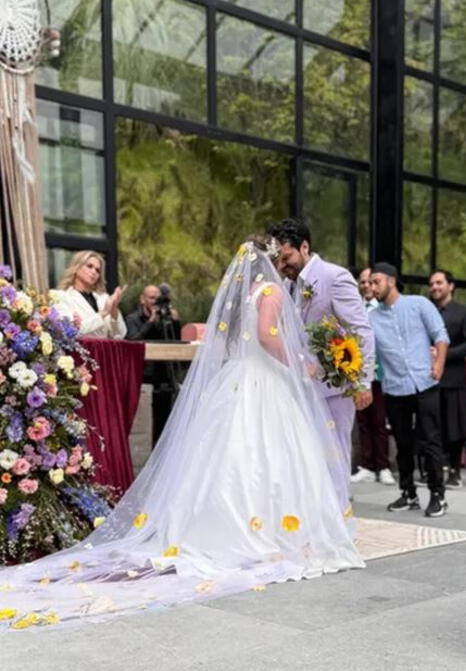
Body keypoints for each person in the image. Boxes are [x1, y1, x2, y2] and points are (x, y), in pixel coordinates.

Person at [0, 237, 364, 629]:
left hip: (239, 381)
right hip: (264, 383)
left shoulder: (245, 292)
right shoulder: (272, 289)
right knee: (269, 453)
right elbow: (266, 335)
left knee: (231, 455)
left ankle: (220, 526)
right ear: (273, 259)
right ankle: (271, 532)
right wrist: (300, 363)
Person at [269, 217, 375, 493]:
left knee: (334, 456)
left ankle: (339, 521)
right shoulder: (289, 285)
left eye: (287, 257)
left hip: (334, 388)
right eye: (278, 260)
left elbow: (361, 331)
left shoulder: (335, 277)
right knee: (308, 461)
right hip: (301, 388)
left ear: (304, 247)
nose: (282, 266)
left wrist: (363, 382)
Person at [369, 263, 450, 517]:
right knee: (403, 444)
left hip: (425, 384)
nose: (371, 287)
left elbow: (441, 335)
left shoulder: (418, 304)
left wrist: (438, 365)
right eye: (370, 283)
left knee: (430, 441)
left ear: (391, 281)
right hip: (394, 388)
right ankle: (409, 494)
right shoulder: (371, 318)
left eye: (376, 281)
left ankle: (438, 495)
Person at [428, 269, 466, 488]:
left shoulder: (464, 313)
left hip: (454, 378)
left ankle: (455, 471)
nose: (435, 287)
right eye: (432, 284)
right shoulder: (426, 310)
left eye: (439, 283)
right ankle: (435, 469)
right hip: (429, 378)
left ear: (451, 285)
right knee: (433, 426)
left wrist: (444, 353)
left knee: (455, 427)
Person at [351, 267, 394, 486]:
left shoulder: (382, 309)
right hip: (357, 371)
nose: (366, 286)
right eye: (362, 282)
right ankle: (366, 464)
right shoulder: (354, 307)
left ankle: (383, 465)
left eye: (370, 282)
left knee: (379, 420)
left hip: (379, 373)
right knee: (363, 421)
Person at [126, 285, 182, 444]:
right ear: (142, 299)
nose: (154, 302)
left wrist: (176, 322)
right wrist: (151, 322)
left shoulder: (166, 319)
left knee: (164, 424)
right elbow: (133, 341)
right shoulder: (133, 319)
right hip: (143, 377)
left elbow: (175, 342)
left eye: (157, 299)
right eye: (151, 298)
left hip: (164, 377)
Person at [54, 251, 127, 339]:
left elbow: (120, 335)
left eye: (98, 270)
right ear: (76, 268)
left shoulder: (104, 299)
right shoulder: (60, 296)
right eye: (89, 266)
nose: (94, 272)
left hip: (105, 351)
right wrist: (103, 313)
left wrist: (114, 310)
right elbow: (70, 331)